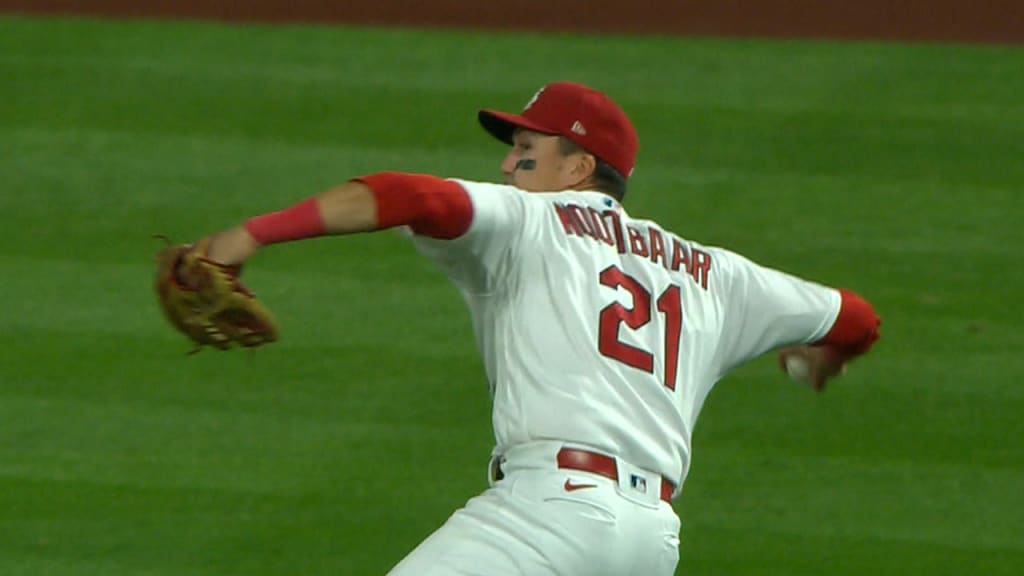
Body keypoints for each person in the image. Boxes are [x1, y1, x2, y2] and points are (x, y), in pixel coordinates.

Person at [196, 81, 881, 575]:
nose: (507, 163)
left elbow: (406, 195)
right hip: (650, 544)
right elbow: (856, 317)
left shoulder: (533, 219)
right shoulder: (716, 275)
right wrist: (824, 357)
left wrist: (248, 235)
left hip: (549, 516)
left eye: (526, 147)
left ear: (578, 168)